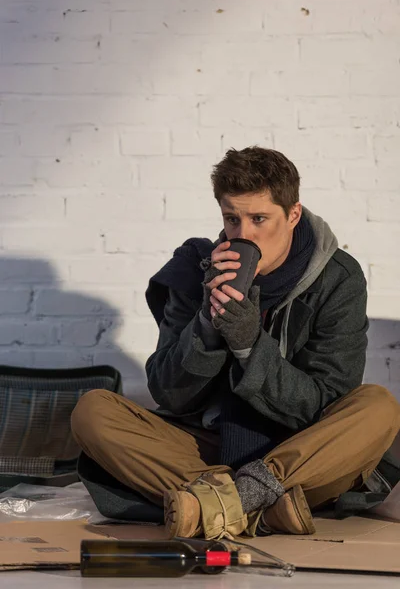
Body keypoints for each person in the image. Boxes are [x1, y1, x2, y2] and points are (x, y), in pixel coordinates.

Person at [71, 147, 400, 540]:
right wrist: (207, 327)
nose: (242, 234)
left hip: (298, 451)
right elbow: (169, 394)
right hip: (208, 445)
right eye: (232, 219)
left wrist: (248, 345)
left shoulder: (338, 279)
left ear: (293, 214)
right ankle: (259, 507)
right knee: (93, 410)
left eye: (259, 218)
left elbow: (323, 403)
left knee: (377, 407)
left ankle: (221, 503)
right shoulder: (199, 270)